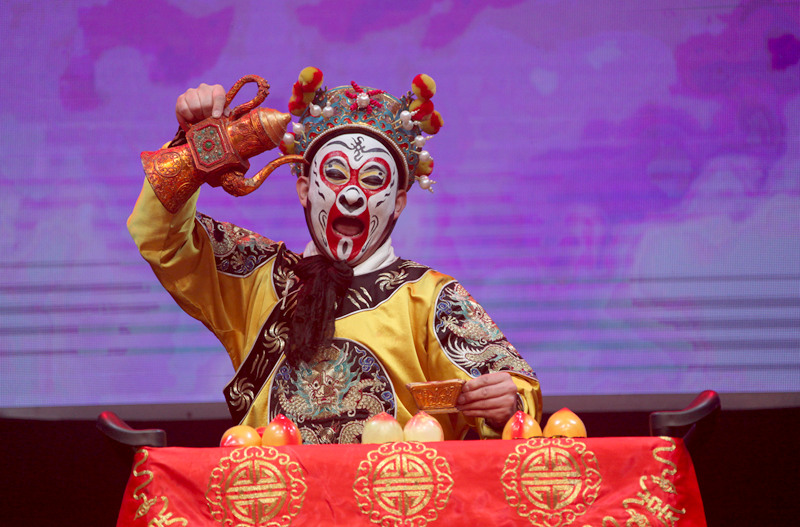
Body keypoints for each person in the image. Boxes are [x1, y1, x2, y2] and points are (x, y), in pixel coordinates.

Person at [128, 68, 542, 443]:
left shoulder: (431, 298)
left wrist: (507, 404)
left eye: (373, 179)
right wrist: (191, 150)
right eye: (336, 174)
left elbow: (515, 394)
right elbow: (162, 237)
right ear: (304, 190)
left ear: (398, 203)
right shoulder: (258, 277)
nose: (352, 194)